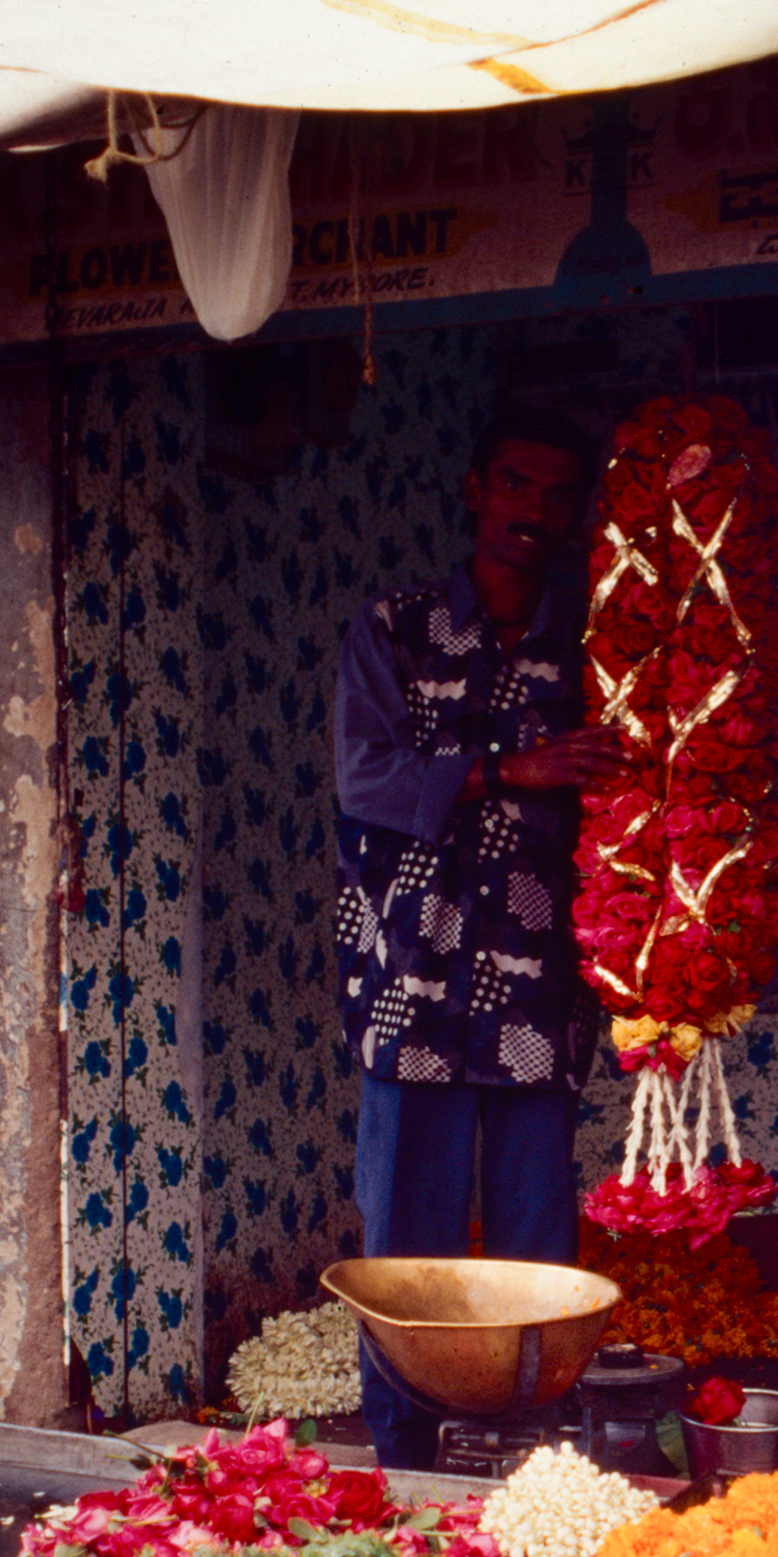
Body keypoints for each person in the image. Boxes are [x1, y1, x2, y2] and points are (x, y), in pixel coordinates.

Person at [333, 408, 625, 1469]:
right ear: (473, 487)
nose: (532, 512)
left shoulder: (591, 647)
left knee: (534, 1239)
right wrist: (510, 769)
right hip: (409, 986)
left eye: (554, 493)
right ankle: (406, 1457)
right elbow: (363, 781)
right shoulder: (397, 628)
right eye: (514, 484)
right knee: (404, 1246)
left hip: (539, 995)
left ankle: (529, 1452)